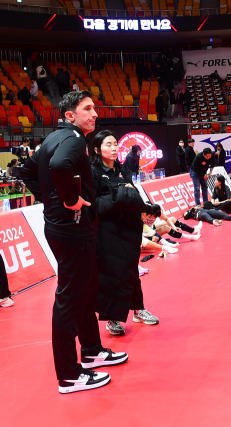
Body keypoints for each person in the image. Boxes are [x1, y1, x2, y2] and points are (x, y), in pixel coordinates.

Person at [20, 90, 128, 394]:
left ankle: (91, 351)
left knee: (86, 290)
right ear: (70, 115)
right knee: (69, 300)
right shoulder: (73, 139)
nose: (95, 114)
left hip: (66, 227)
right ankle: (68, 376)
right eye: (88, 109)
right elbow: (57, 168)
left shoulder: (52, 139)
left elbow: (25, 171)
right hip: (72, 229)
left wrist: (50, 199)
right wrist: (69, 200)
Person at [90, 130, 159, 337]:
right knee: (111, 274)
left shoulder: (123, 169)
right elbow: (93, 206)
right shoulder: (92, 172)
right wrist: (115, 197)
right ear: (96, 149)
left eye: (114, 144)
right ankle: (112, 318)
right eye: (108, 145)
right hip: (108, 231)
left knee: (131, 270)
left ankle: (138, 309)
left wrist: (146, 209)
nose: (113, 148)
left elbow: (133, 195)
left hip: (130, 228)